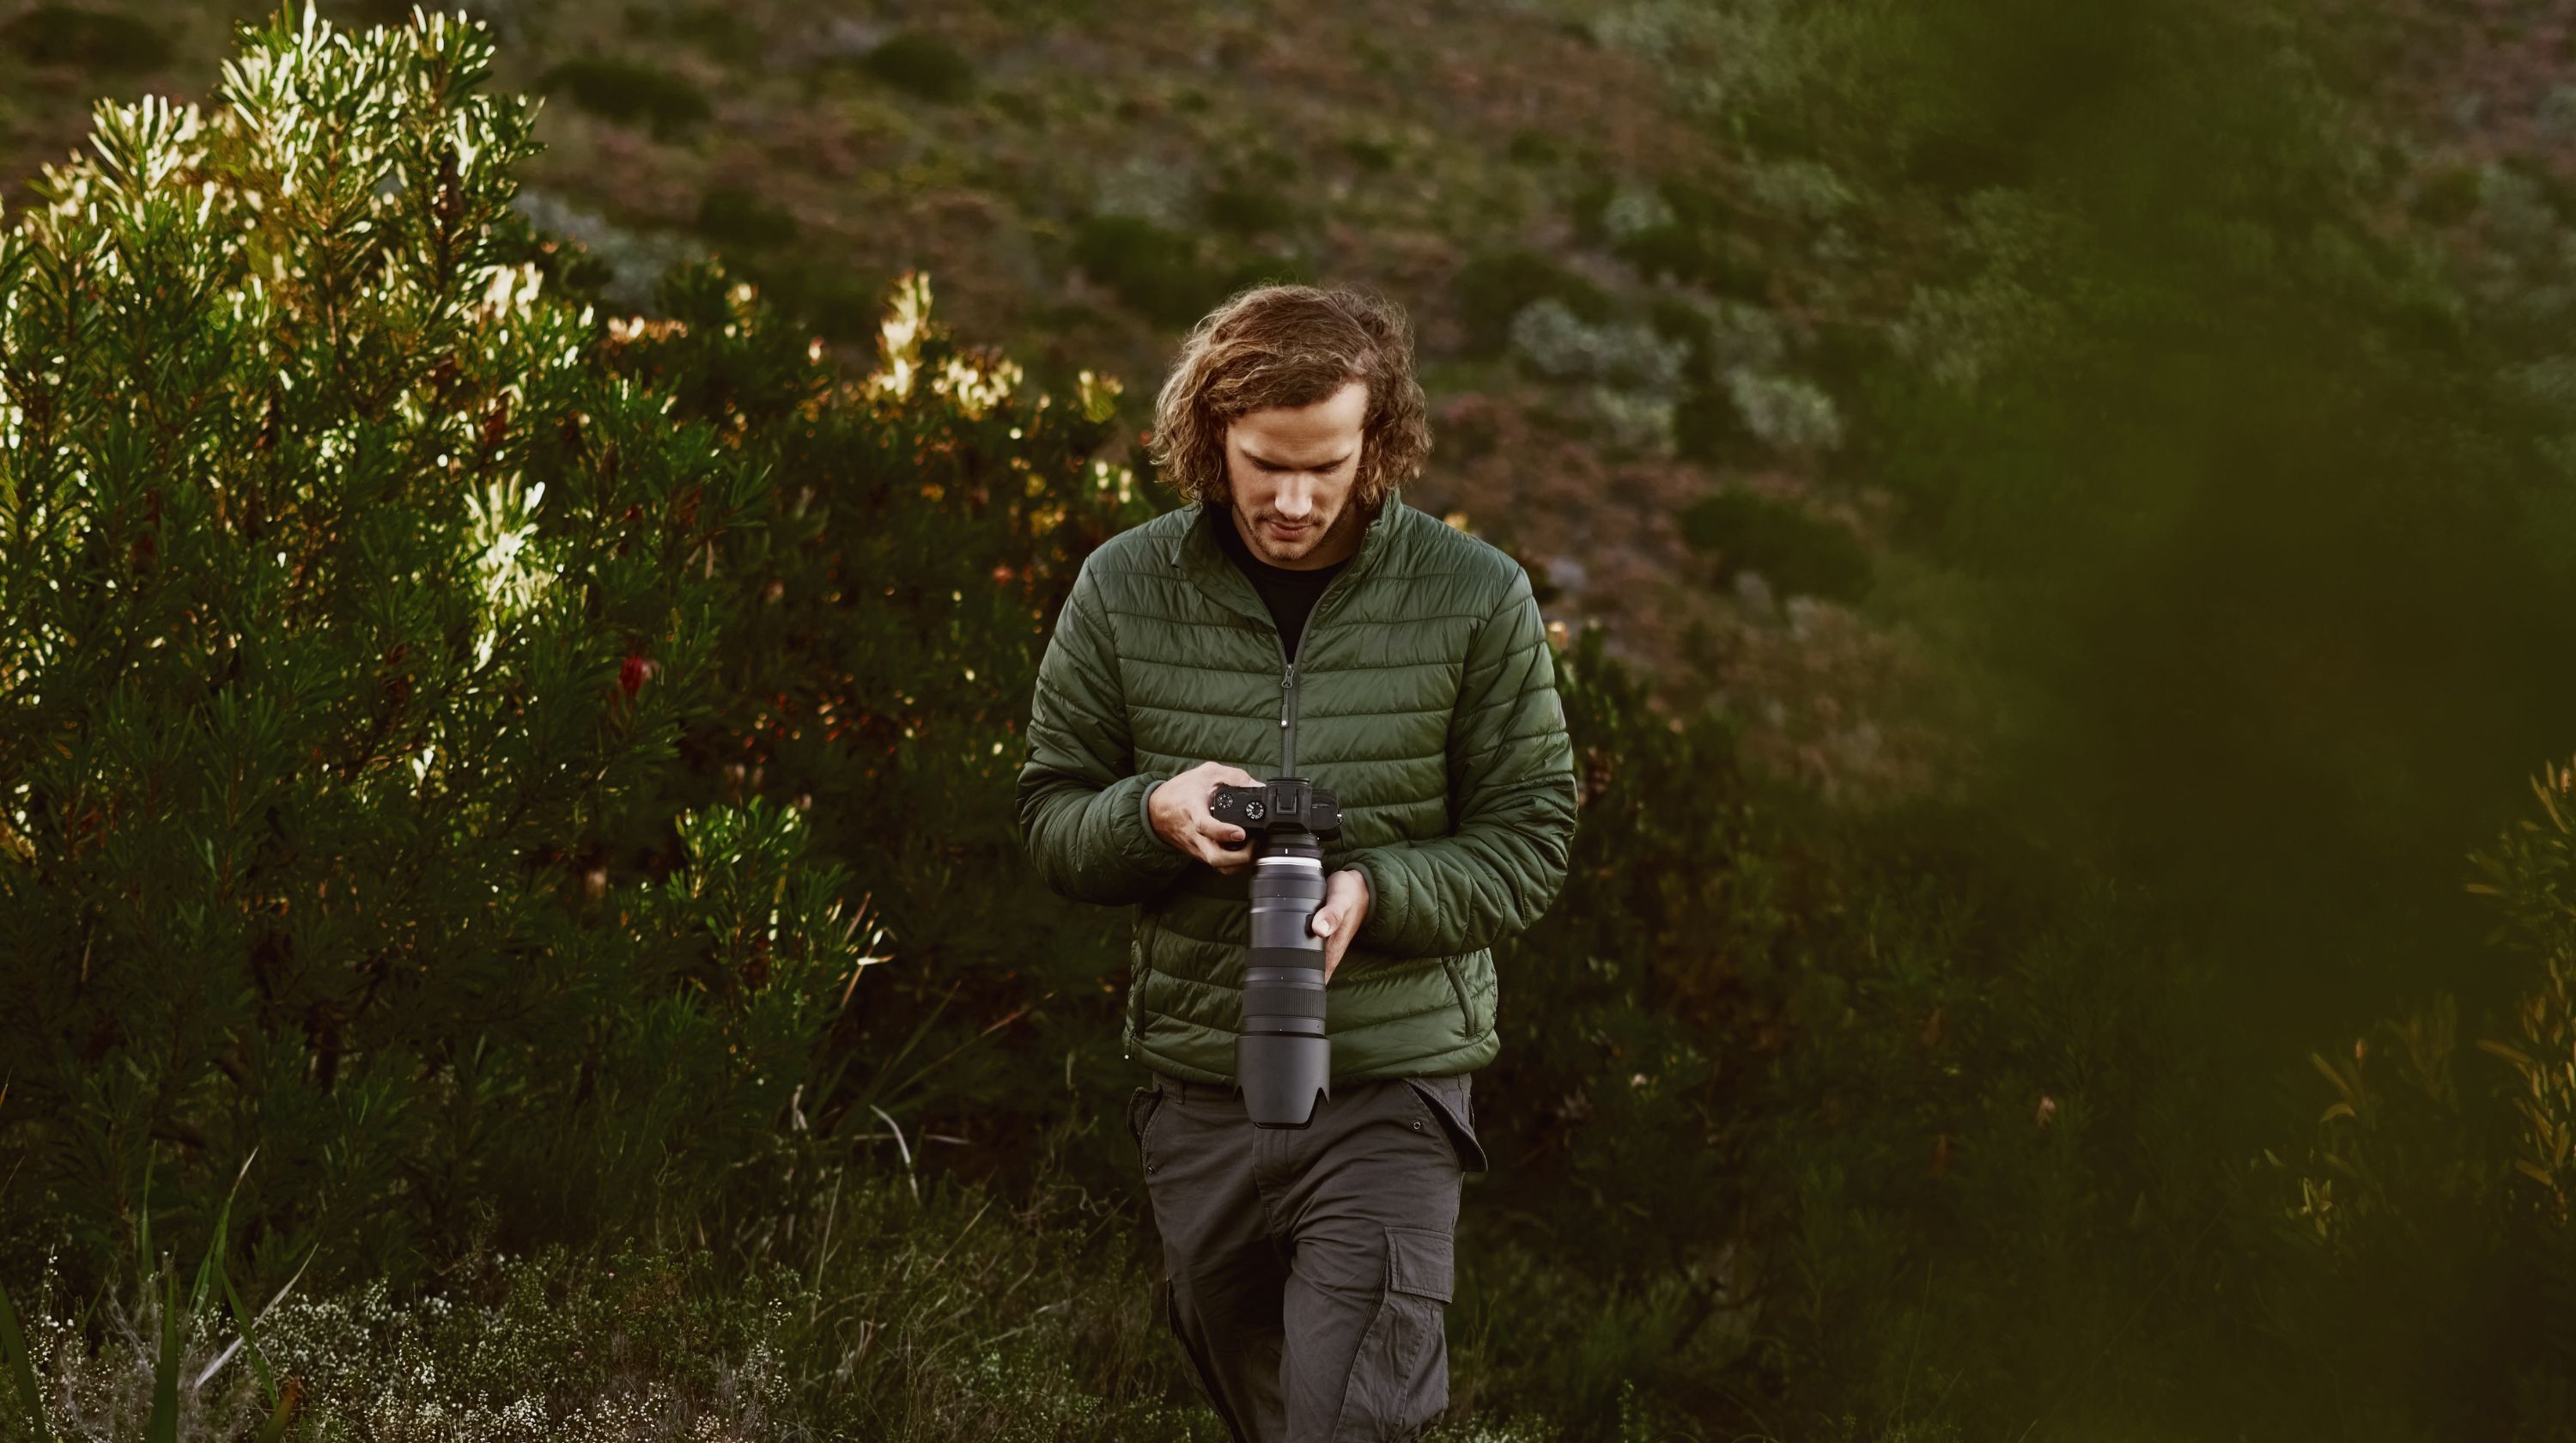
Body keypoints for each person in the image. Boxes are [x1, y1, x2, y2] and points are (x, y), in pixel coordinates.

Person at [1016, 283, 1579, 1441]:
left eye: (1326, 465)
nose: (1293, 499)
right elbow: (1049, 819)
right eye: (1264, 462)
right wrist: (1152, 813)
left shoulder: (1477, 600)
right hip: (1201, 1096)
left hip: (1391, 1087)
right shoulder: (1124, 587)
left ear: (1380, 443)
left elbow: (1532, 842)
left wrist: (1375, 892)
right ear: (1207, 436)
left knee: (1351, 1424)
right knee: (1264, 1407)